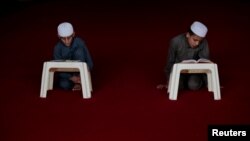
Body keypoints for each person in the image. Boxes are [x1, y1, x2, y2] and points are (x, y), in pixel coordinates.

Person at [157, 21, 209, 90]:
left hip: (194, 72)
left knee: (193, 85)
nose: (197, 44)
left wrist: (209, 83)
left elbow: (206, 64)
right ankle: (181, 83)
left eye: (200, 41)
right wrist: (169, 81)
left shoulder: (204, 42)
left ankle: (196, 82)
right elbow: (170, 62)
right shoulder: (175, 41)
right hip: (179, 72)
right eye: (195, 40)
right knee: (176, 87)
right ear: (188, 35)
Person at [53, 22, 93, 91]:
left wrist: (82, 74)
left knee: (79, 52)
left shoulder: (80, 42)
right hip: (67, 75)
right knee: (64, 85)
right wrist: (71, 77)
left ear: (73, 34)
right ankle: (75, 83)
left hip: (81, 73)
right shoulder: (57, 48)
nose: (66, 41)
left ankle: (80, 83)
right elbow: (57, 68)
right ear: (58, 36)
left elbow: (89, 62)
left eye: (69, 38)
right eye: (63, 38)